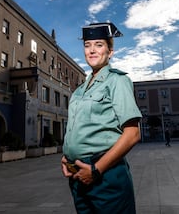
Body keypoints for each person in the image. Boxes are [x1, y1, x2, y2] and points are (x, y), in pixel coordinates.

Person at [61, 22, 142, 214]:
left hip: (105, 176)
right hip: (78, 177)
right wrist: (67, 158)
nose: (92, 50)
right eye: (87, 45)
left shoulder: (117, 81)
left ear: (110, 51)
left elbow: (133, 134)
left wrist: (96, 169)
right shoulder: (80, 90)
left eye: (99, 44)